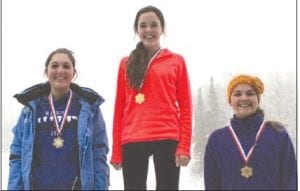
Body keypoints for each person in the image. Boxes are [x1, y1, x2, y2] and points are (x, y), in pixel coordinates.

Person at [110, 5, 192, 190]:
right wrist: (116, 151)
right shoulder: (126, 63)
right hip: (132, 139)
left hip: (167, 136)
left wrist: (184, 146)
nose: (148, 30)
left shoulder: (176, 61)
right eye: (143, 25)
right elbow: (119, 108)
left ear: (163, 29)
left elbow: (186, 107)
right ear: (136, 30)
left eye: (154, 25)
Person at [8, 48, 109, 190]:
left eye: (66, 66)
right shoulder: (30, 110)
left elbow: (99, 154)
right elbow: (17, 155)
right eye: (54, 66)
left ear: (74, 73)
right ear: (46, 72)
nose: (60, 70)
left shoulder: (89, 109)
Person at [204, 74, 297, 190]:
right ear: (230, 101)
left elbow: (290, 181)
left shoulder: (278, 135)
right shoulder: (216, 139)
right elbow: (212, 184)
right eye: (237, 94)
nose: (244, 98)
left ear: (257, 99)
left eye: (250, 93)